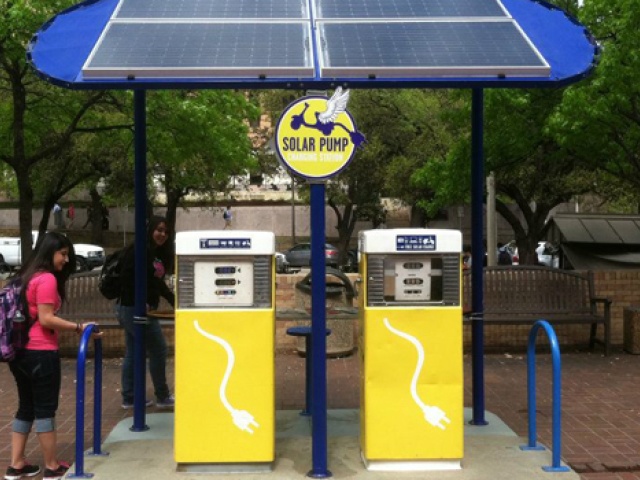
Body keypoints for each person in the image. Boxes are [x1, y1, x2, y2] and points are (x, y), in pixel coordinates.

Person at [5, 232, 101, 480]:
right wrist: (80, 328)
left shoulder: (27, 276)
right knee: (46, 409)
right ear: (50, 253)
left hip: (20, 352)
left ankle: (16, 464)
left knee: (26, 407)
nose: (66, 260)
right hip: (41, 352)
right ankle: (51, 466)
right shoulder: (46, 279)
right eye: (63, 254)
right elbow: (47, 319)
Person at [115, 216, 175, 410]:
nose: (162, 234)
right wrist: (141, 301)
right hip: (134, 308)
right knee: (158, 348)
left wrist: (174, 301)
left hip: (134, 308)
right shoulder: (139, 251)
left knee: (133, 351)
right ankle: (162, 395)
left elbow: (157, 282)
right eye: (159, 230)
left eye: (166, 231)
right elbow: (127, 278)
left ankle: (129, 397)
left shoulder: (154, 254)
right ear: (150, 230)